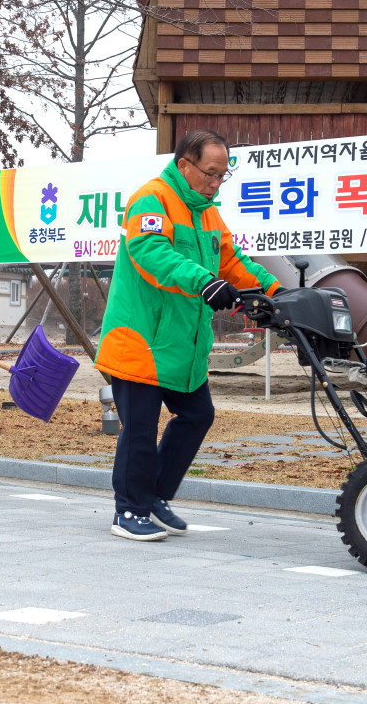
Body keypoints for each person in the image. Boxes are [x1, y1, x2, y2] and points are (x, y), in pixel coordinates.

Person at [94, 130, 283, 542]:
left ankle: (154, 496)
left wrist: (276, 293)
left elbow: (232, 261)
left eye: (222, 176)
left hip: (183, 345)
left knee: (198, 415)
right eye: (210, 173)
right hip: (142, 341)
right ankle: (128, 510)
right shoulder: (152, 199)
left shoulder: (208, 214)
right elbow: (150, 252)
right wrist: (204, 282)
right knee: (139, 428)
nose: (215, 183)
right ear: (185, 165)